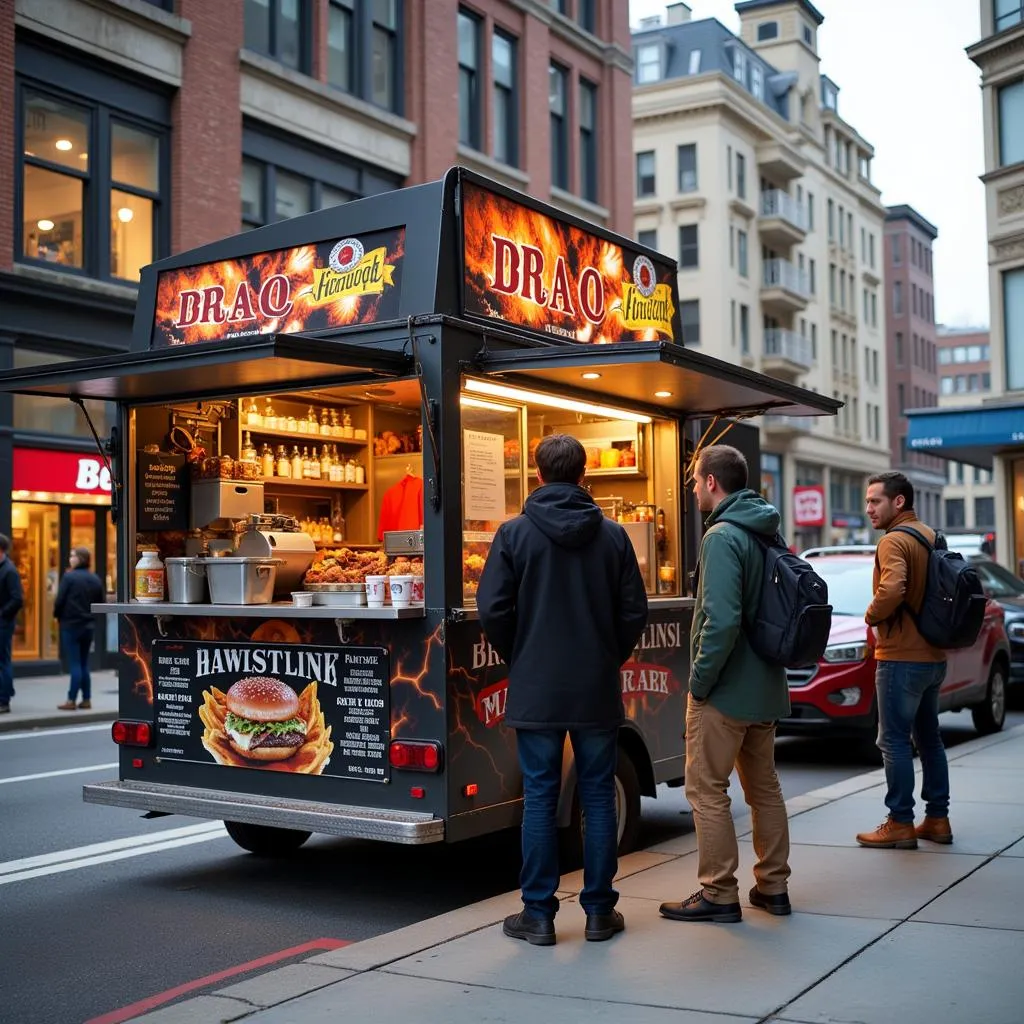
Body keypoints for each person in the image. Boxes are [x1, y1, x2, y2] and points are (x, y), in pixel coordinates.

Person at [477, 433, 648, 946]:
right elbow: (633, 613)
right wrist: (605, 656)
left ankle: (539, 915)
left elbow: (494, 610)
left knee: (540, 797)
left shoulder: (513, 534)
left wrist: (523, 655)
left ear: (536, 475)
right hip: (594, 687)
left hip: (537, 686)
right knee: (597, 798)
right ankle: (598, 913)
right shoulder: (615, 536)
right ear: (583, 476)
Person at [660, 444, 792, 924]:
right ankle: (773, 888)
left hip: (726, 691)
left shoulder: (722, 536)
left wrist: (699, 682)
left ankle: (718, 892)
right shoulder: (767, 529)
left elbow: (721, 621)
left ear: (712, 482)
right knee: (764, 788)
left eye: (695, 481)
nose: (693, 489)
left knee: (705, 790)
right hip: (765, 687)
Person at [856, 471, 950, 849]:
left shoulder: (894, 540)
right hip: (932, 656)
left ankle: (900, 821)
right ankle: (938, 819)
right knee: (930, 738)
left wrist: (870, 615)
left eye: (875, 501)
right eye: (867, 501)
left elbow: (893, 587)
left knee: (892, 740)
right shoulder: (930, 535)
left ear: (898, 502)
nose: (868, 509)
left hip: (900, 658)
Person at [54, 547, 105, 711]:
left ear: (80, 559)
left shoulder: (69, 578)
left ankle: (71, 700)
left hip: (71, 625)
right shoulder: (95, 578)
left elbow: (59, 601)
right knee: (84, 663)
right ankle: (87, 699)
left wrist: (57, 616)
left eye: (72, 555)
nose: (70, 558)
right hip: (88, 625)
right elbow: (100, 602)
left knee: (75, 664)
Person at [0, 533, 25, 714]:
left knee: (3, 661)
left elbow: (17, 599)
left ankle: (4, 700)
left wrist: (2, 614)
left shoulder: (9, 571)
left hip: (3, 624)